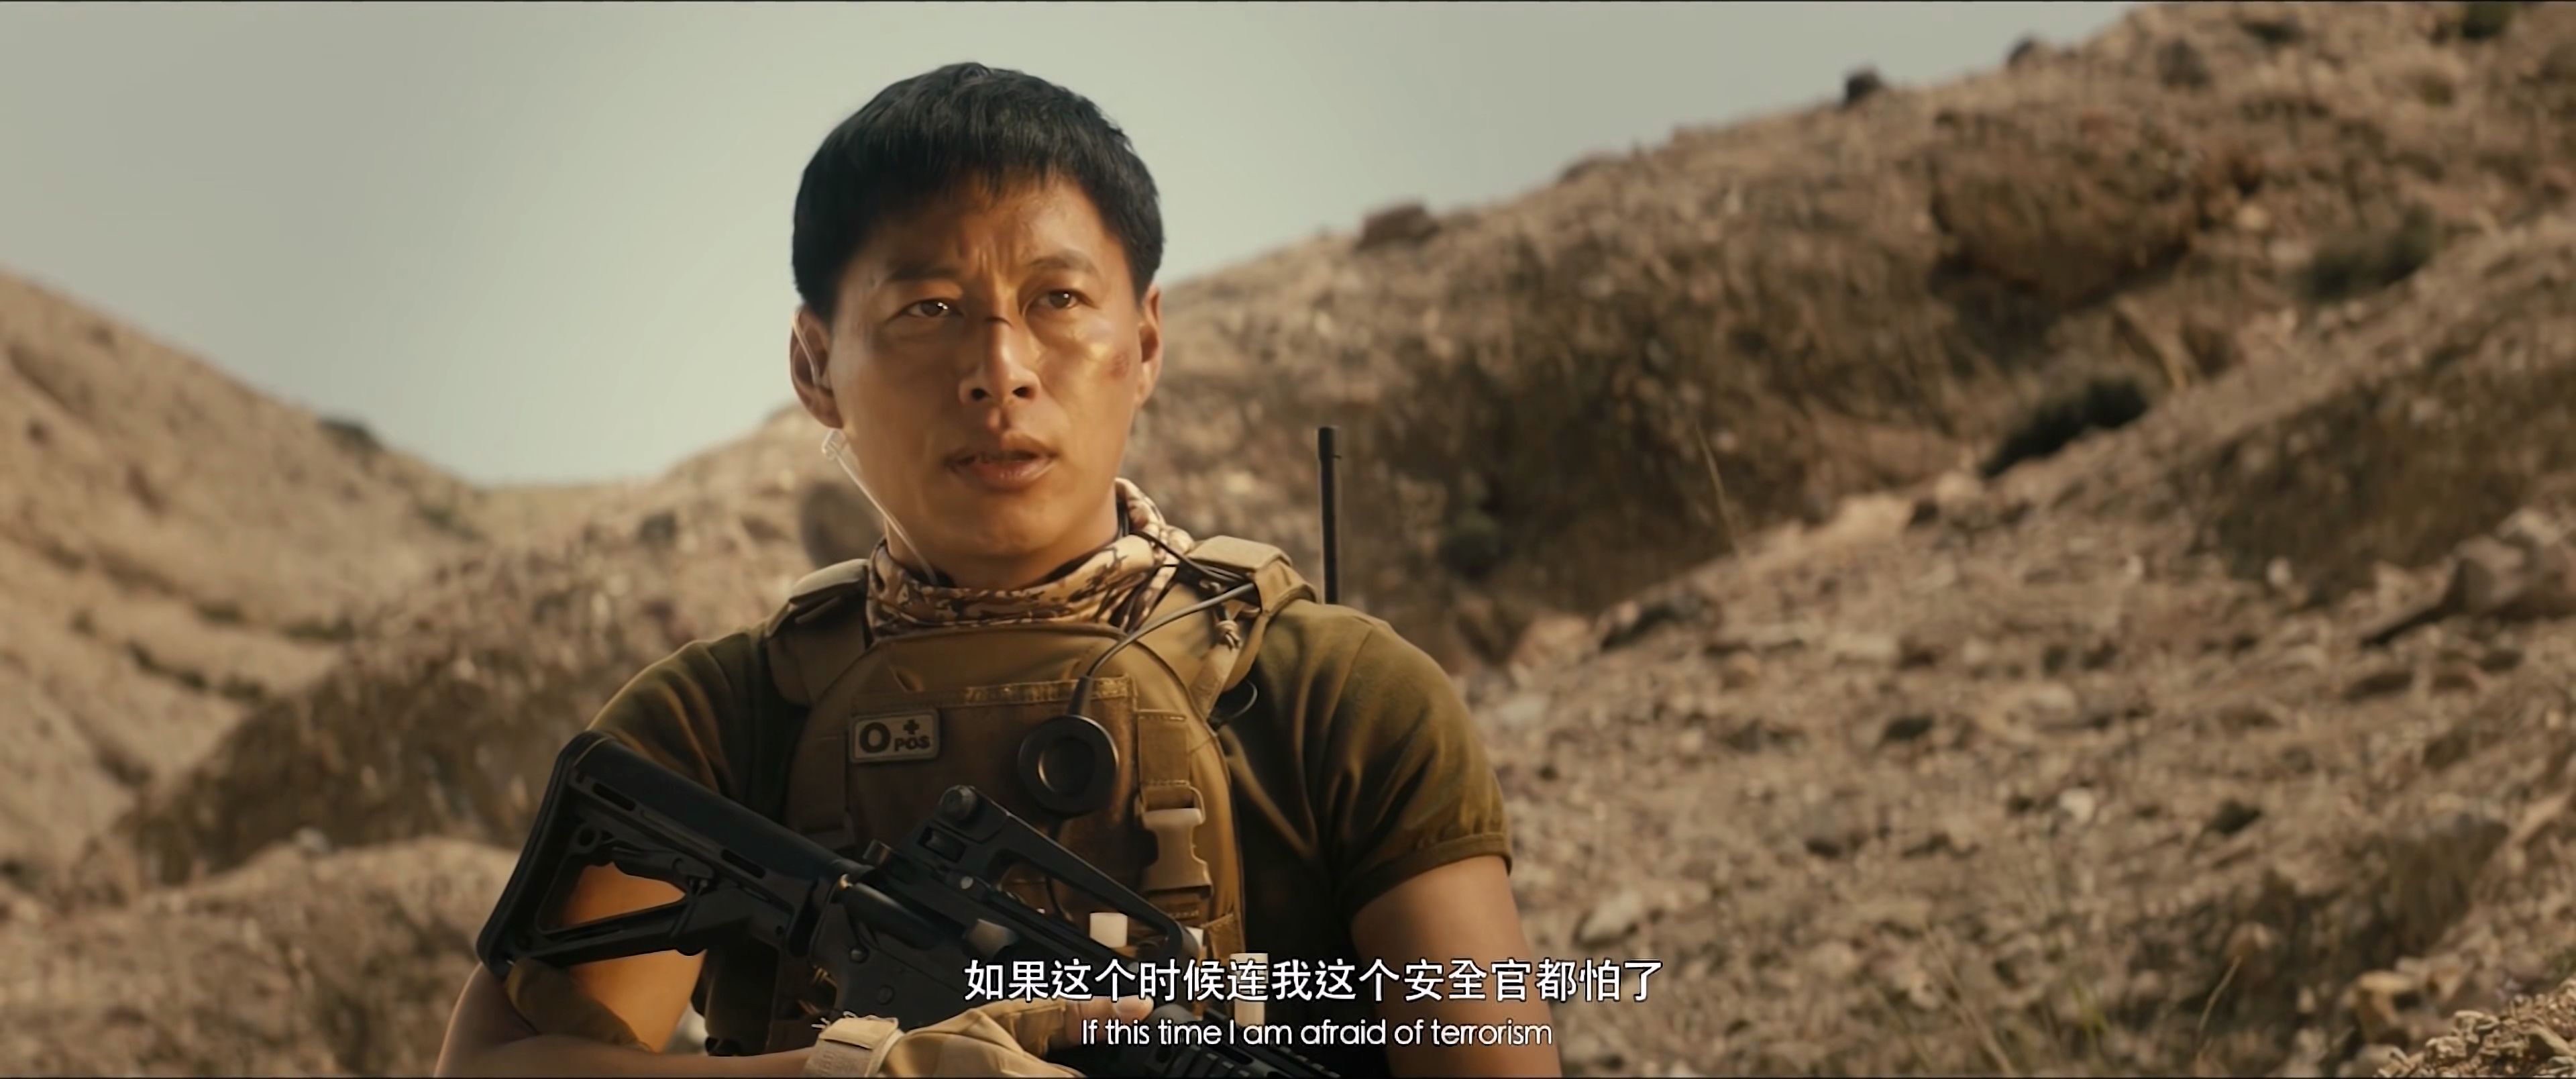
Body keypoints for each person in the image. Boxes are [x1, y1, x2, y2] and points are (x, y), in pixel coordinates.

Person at [433, 62, 1558, 1078]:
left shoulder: (1337, 699)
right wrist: (871, 1075)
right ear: (816, 366)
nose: (1000, 369)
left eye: (1058, 301)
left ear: (1145, 343)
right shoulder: (725, 723)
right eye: (928, 310)